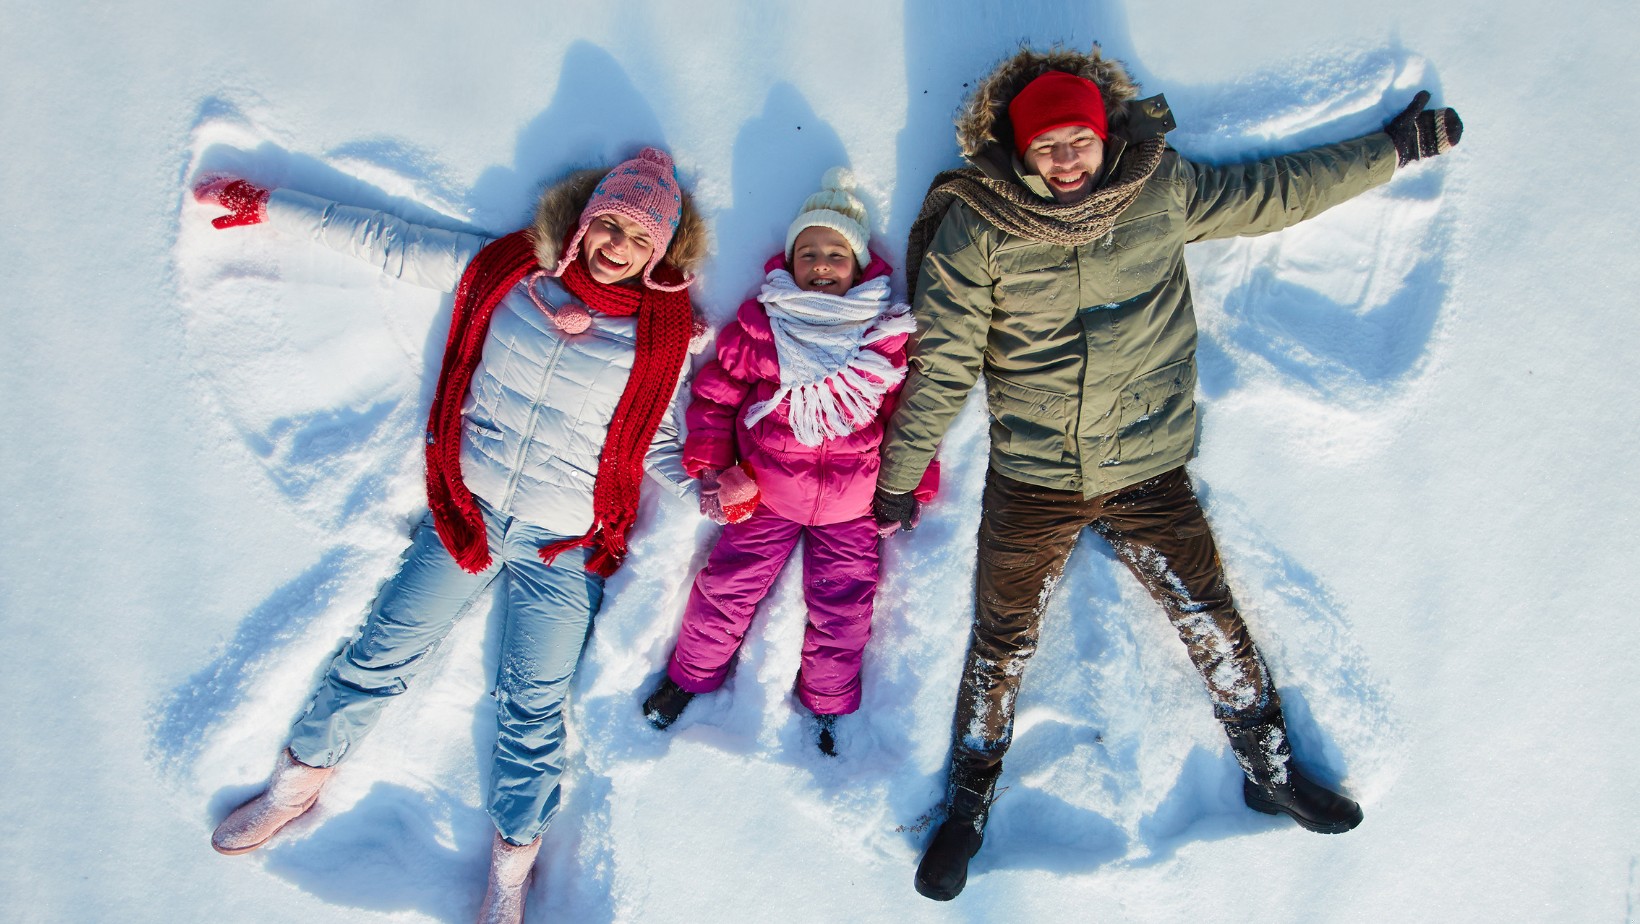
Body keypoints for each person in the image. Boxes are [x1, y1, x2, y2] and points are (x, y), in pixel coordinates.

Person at [870, 47, 1462, 900]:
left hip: (1148, 462)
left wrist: (1394, 150)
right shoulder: (979, 226)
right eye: (1048, 146)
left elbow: (1275, 193)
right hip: (1033, 476)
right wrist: (902, 474)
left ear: (1105, 137)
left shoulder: (1157, 189)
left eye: (1079, 140)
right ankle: (968, 806)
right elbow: (947, 360)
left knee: (1208, 613)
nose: (1066, 159)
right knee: (1002, 639)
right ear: (1019, 150)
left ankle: (1270, 766)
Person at [194, 147, 707, 924]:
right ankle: (293, 790)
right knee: (380, 652)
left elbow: (655, 442)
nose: (617, 247)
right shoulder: (509, 272)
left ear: (660, 253)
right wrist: (272, 206)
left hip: (563, 547)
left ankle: (509, 871)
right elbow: (390, 242)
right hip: (468, 513)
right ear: (582, 224)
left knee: (533, 710)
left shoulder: (663, 338)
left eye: (638, 239)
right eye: (608, 225)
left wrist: (715, 486)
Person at [641, 168, 937, 755]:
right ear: (790, 261)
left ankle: (828, 704)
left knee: (843, 607)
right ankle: (689, 677)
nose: (821, 264)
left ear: (857, 264)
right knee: (726, 588)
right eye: (809, 253)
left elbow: (909, 415)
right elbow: (718, 393)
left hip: (854, 506)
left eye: (835, 253)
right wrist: (709, 460)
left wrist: (914, 484)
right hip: (765, 492)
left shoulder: (881, 335)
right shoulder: (762, 325)